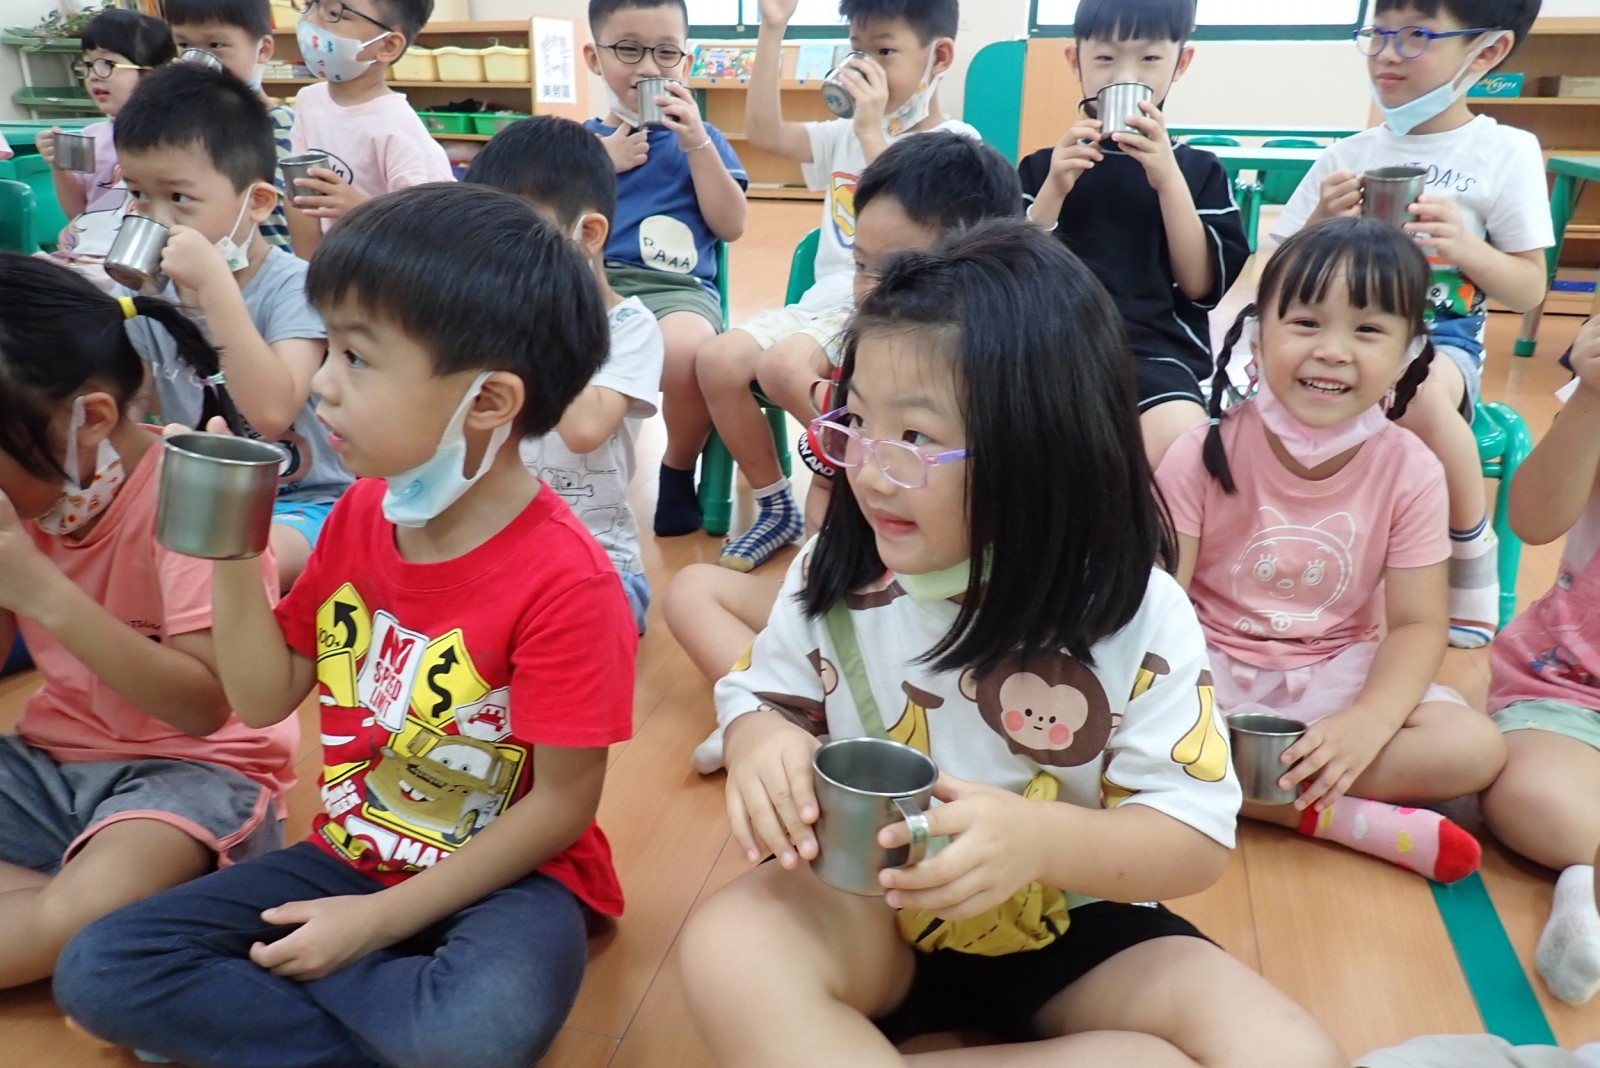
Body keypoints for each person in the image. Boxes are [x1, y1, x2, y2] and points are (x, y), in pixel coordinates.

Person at [677, 220, 1344, 1067]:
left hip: (1072, 917)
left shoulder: (1137, 613)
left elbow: (1191, 836)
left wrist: (1037, 841)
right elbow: (761, 692)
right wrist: (758, 737)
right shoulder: (834, 571)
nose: (871, 469)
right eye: (858, 422)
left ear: (1045, 447)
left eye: (916, 438)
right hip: (870, 901)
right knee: (729, 946)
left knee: (1288, 1053)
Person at [55, 184, 637, 1068]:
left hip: (510, 878)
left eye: (358, 358)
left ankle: (312, 1005)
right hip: (352, 851)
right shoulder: (361, 516)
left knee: (476, 1032)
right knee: (99, 969)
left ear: (488, 401)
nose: (322, 384)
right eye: (330, 348)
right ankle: (381, 1017)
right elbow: (262, 697)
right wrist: (233, 547)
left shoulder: (570, 582)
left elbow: (561, 808)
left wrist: (374, 925)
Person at [1156, 217, 1506, 883]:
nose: (1333, 351)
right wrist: (1170, 701)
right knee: (1097, 711)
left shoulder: (1411, 470)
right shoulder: (1200, 452)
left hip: (1332, 679)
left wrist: (1367, 724)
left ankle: (1220, 790)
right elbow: (1160, 601)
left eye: (1367, 329)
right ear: (1257, 337)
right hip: (1204, 674)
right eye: (1306, 323)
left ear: (1409, 353)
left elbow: (1417, 624)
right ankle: (1321, 815)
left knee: (1473, 748)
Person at [666, 130, 1024, 774]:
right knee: (691, 589)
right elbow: (829, 520)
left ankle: (800, 715)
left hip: (956, 620)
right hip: (859, 599)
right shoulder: (855, 363)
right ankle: (780, 716)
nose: (869, 291)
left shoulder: (1002, 386)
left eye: (899, 270)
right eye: (860, 265)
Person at [0, 253, 297, 989]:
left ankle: (82, 911)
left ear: (91, 419)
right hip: (49, 761)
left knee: (87, 915)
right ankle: (109, 914)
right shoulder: (29, 501)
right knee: (86, 917)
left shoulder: (190, 494)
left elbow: (203, 708)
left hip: (190, 775)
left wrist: (42, 591)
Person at [1271, 0, 1551, 649]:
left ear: (1486, 51)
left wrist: (1465, 248)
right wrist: (1318, 226)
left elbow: (1529, 286)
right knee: (1262, 404)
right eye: (1378, 34)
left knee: (1415, 397)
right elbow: (1277, 279)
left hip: (1439, 339)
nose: (1387, 54)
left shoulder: (1504, 150)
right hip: (1343, 332)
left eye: (1416, 35)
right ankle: (1293, 552)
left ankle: (1468, 556)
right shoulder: (1346, 154)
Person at [674, 0, 978, 566]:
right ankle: (775, 504)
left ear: (938, 58)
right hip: (824, 303)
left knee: (782, 367)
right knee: (716, 359)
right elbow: (765, 132)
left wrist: (871, 131)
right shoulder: (843, 134)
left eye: (884, 51)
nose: (865, 65)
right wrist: (772, 28)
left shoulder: (953, 146)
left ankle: (864, 474)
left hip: (893, 308)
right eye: (857, 50)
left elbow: (921, 229)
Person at [114, 62, 353, 591]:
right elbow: (128, 415)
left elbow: (271, 412)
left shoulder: (295, 286)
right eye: (138, 194)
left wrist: (214, 288)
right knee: (124, 551)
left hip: (309, 505)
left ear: (257, 202)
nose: (156, 218)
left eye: (179, 198)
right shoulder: (148, 300)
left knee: (229, 562)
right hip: (202, 503)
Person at [1019, 0, 1248, 468]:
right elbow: (1015, 275)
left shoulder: (1198, 171)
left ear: (1180, 63)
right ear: (1075, 61)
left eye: (1149, 58)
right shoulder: (1041, 168)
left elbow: (1201, 286)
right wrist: (1053, 191)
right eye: (1105, 58)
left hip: (1155, 356)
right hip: (1052, 346)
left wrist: (1168, 181)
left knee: (1182, 446)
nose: (1125, 75)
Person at [466, 115, 665, 633]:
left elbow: (584, 429)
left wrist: (538, 315)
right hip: (499, 554)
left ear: (588, 234)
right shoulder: (491, 322)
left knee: (574, 623)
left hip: (600, 566)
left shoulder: (630, 327)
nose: (501, 255)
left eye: (519, 231)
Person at [583, 0, 747, 539]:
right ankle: (571, 474)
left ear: (685, 62)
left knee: (688, 352)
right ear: (594, 57)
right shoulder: (579, 144)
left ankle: (677, 469)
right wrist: (597, 163)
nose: (649, 67)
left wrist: (695, 143)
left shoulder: (704, 140)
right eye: (629, 50)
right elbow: (551, 222)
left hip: (678, 287)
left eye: (666, 53)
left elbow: (731, 225)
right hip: (592, 283)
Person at [1480, 314, 1600, 1007]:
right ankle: (1583, 886)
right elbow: (1531, 518)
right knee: (1532, 799)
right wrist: (1591, 395)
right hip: (1574, 682)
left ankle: (1584, 886)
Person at [282, 0, 453, 258]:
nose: (311, 21)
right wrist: (310, 272)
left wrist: (360, 209)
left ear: (387, 45)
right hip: (332, 268)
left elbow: (430, 231)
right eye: (310, 4)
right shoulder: (310, 100)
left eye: (334, 13)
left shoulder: (397, 127)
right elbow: (300, 197)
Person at [35, 9, 175, 276]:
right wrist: (59, 166)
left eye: (108, 64)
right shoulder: (93, 136)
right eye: (88, 65)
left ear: (153, 73)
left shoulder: (178, 136)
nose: (94, 76)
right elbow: (79, 214)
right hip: (88, 253)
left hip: (143, 261)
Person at [164, 0, 296, 249]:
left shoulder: (286, 128)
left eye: (216, 45)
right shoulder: (179, 128)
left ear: (263, 50)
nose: (198, 62)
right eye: (184, 46)